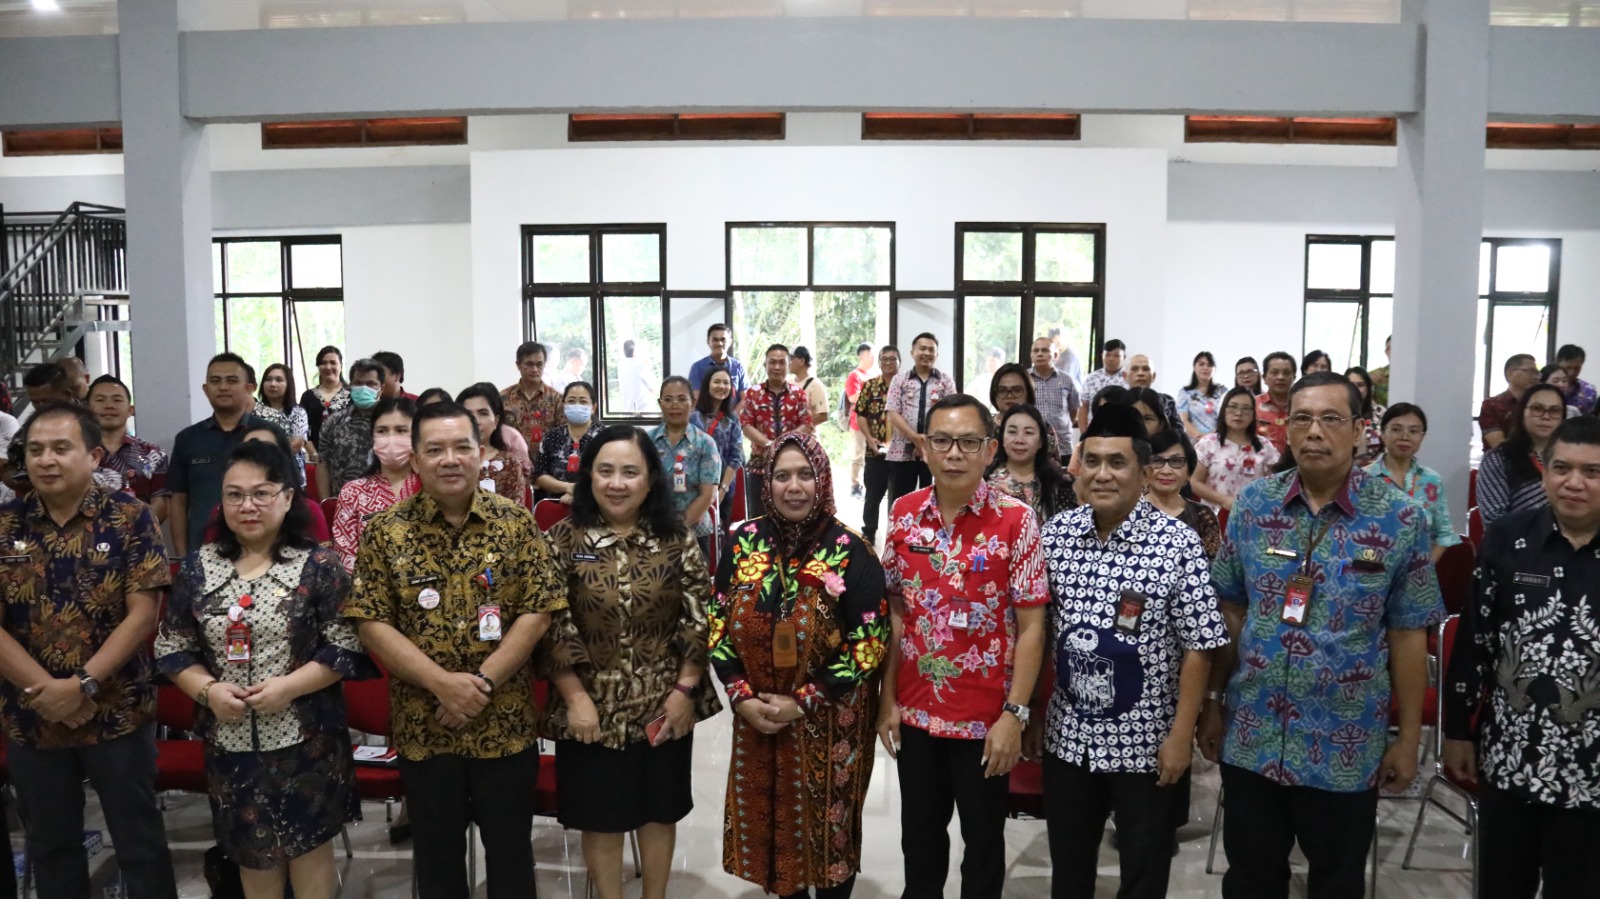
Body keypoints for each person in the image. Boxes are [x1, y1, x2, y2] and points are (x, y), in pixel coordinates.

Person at [1198, 371, 1443, 899]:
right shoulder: (1253, 506)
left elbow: (1407, 635)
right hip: (1253, 735)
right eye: (1302, 418)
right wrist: (1213, 703)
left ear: (1359, 430)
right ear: (1286, 429)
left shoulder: (1401, 518)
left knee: (1336, 882)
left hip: (1344, 744)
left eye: (1331, 419)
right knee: (1251, 880)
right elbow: (1230, 612)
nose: (1314, 432)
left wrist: (1405, 738)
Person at [345, 402, 567, 899]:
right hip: (426, 726)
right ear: (416, 459)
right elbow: (371, 622)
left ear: (481, 453)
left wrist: (483, 682)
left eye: (462, 447)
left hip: (504, 724)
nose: (450, 459)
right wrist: (442, 684)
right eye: (436, 449)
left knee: (511, 855)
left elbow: (539, 610)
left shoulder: (514, 523)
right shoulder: (385, 531)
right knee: (437, 858)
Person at [156, 439, 376, 899]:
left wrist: (289, 688)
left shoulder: (319, 566)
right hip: (230, 740)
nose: (247, 506)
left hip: (308, 739)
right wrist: (208, 691)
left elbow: (347, 645)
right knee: (251, 852)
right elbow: (173, 648)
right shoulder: (199, 568)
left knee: (309, 850)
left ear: (289, 498)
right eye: (234, 494)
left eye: (262, 493)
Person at [1034, 408, 1228, 899]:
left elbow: (1200, 646)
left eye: (1116, 462)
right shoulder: (1057, 537)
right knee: (1070, 871)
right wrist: (1034, 714)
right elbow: (1037, 634)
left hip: (1146, 743)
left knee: (1143, 873)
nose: (1102, 474)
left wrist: (1182, 734)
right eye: (1092, 461)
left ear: (1143, 474)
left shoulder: (1177, 543)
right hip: (1069, 738)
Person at [0, 403, 177, 898]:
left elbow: (143, 614)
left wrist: (81, 687)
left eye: (61, 448)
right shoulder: (4, 525)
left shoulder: (129, 517)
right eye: (35, 450)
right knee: (52, 847)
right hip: (32, 714)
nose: (46, 460)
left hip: (116, 709)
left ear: (95, 456)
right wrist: (49, 692)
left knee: (139, 844)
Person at [541, 425, 722, 899]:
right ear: (588, 478)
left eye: (629, 472)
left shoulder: (675, 537)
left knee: (657, 811)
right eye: (605, 471)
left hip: (665, 703)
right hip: (588, 708)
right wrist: (575, 699)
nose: (616, 483)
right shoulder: (562, 539)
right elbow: (552, 623)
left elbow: (700, 615)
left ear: (649, 481)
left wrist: (684, 691)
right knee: (600, 817)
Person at [879, 394, 1047, 899]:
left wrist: (1014, 715)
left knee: (983, 848)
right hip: (918, 716)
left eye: (968, 442)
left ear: (989, 449)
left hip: (986, 719)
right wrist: (886, 701)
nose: (955, 452)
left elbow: (1033, 624)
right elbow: (895, 612)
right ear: (925, 449)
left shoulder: (1016, 520)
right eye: (943, 441)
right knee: (921, 845)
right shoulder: (905, 513)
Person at [710, 431, 888, 899]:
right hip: (758, 718)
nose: (794, 486)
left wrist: (804, 701)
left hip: (830, 723)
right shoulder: (744, 541)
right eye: (782, 475)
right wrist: (740, 695)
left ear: (822, 480)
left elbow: (869, 645)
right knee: (775, 838)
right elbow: (716, 622)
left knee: (829, 837)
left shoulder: (852, 551)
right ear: (765, 482)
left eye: (805, 474)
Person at [1442, 416, 1600, 897]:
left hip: (1594, 770)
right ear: (1544, 470)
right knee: (1501, 885)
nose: (1573, 483)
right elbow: (1475, 639)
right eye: (1561, 467)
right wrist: (1456, 732)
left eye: (1592, 472)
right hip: (1511, 755)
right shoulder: (1509, 537)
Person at [171, 353, 264, 557]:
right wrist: (182, 556)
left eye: (232, 381)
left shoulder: (268, 435)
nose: (223, 387)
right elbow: (178, 500)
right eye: (215, 381)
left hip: (261, 552)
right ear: (205, 389)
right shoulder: (187, 439)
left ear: (249, 388)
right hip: (202, 553)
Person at [331, 397, 421, 572]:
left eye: (401, 430)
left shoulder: (433, 487)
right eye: (382, 430)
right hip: (368, 592)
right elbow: (346, 558)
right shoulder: (353, 492)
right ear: (372, 436)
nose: (391, 438)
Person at [1365, 403, 1460, 563]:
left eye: (1414, 431)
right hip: (1371, 572)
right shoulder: (1363, 478)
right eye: (1396, 429)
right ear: (1382, 433)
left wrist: (1423, 568)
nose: (1405, 436)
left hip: (1419, 577)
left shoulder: (1432, 480)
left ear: (1422, 436)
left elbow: (1444, 534)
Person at [649, 377, 721, 560]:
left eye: (682, 399)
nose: (675, 405)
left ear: (693, 402)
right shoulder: (646, 442)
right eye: (668, 399)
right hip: (652, 531)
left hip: (695, 533)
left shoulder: (705, 443)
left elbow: (708, 495)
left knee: (694, 588)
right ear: (660, 403)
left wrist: (678, 529)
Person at [885, 332, 957, 511]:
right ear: (912, 352)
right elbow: (893, 413)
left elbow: (952, 414)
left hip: (936, 452)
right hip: (902, 451)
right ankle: (897, 537)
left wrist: (928, 440)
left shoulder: (945, 381)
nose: (926, 353)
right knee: (899, 501)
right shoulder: (899, 380)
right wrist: (915, 438)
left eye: (931, 349)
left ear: (937, 354)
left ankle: (932, 537)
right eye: (922, 348)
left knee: (935, 500)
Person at [740, 345, 812, 518]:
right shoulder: (753, 393)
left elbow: (807, 424)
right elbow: (746, 424)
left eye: (781, 362)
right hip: (760, 467)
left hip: (791, 466)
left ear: (788, 365)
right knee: (758, 518)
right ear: (765, 365)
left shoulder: (799, 394)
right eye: (772, 362)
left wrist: (784, 444)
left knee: (791, 516)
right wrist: (769, 444)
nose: (777, 367)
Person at [1479, 383, 1566, 524]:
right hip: (1515, 542)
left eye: (1554, 411)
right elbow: (1494, 521)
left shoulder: (1570, 458)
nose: (1546, 417)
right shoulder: (1499, 459)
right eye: (1537, 409)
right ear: (1522, 413)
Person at [88, 374, 170, 523]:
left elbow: (161, 503)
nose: (109, 406)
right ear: (87, 408)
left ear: (131, 410)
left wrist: (133, 532)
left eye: (117, 400)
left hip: (139, 540)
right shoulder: (75, 454)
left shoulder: (153, 454)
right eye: (100, 400)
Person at [1191, 386, 1281, 513]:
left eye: (1245, 409)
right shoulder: (1208, 443)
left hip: (1253, 516)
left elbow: (1273, 487)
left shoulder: (1265, 446)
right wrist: (1224, 500)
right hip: (1214, 517)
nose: (1238, 413)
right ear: (1223, 410)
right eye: (1233, 407)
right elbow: (1194, 482)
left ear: (1253, 414)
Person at [984, 403, 1073, 525]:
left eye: (1028, 433)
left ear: (1041, 441)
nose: (1019, 440)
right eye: (1012, 432)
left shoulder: (1058, 483)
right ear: (1002, 438)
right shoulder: (985, 483)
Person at [316, 357, 392, 500]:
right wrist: (326, 502)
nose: (364, 388)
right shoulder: (332, 422)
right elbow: (322, 464)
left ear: (381, 388)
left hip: (384, 504)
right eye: (358, 383)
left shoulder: (393, 423)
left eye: (371, 384)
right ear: (350, 386)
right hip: (342, 504)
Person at [1145, 427, 1223, 559]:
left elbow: (1213, 571)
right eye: (1157, 461)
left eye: (1176, 461)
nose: (1166, 470)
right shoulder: (1126, 513)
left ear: (1188, 473)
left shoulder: (1203, 517)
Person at [456, 383, 528, 504]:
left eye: (483, 413)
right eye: (468, 414)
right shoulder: (450, 461)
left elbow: (517, 512)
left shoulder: (510, 463)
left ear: (496, 421)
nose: (476, 421)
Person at [855, 345, 898, 546]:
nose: (888, 363)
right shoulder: (869, 385)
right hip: (875, 452)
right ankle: (869, 533)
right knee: (873, 496)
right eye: (884, 359)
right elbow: (861, 414)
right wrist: (869, 438)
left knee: (898, 498)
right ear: (879, 362)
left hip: (901, 455)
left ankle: (897, 535)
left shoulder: (905, 386)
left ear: (899, 362)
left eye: (892, 359)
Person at [691, 369, 743, 527]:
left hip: (723, 488)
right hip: (694, 488)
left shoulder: (733, 419)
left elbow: (736, 457)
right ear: (707, 385)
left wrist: (722, 490)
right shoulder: (693, 417)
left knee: (721, 536)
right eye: (717, 382)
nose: (722, 386)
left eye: (726, 382)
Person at [533, 381, 599, 504]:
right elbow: (540, 474)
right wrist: (568, 488)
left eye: (583, 401)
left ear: (593, 407)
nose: (577, 405)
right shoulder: (551, 437)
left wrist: (580, 492)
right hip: (555, 504)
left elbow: (609, 474)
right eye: (571, 401)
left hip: (595, 504)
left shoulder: (605, 438)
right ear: (563, 406)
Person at [254, 363, 311, 487]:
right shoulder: (254, 411)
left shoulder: (298, 411)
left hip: (291, 474)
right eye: (268, 379)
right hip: (258, 474)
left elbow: (296, 444)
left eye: (279, 380)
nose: (273, 384)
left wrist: (265, 453)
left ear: (288, 384)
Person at [502, 340, 565, 450]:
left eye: (539, 364)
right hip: (512, 462)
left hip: (546, 462)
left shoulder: (556, 399)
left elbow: (563, 434)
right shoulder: (503, 398)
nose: (535, 370)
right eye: (529, 364)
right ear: (518, 365)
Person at [992, 361, 1063, 458]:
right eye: (1002, 390)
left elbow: (1052, 468)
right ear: (994, 394)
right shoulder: (985, 428)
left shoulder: (1043, 428)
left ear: (1029, 392)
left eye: (1017, 390)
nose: (1009, 395)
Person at [1029, 336, 1080, 465]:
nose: (1040, 354)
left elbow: (1074, 410)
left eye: (1045, 350)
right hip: (1031, 444)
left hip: (1062, 444)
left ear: (1055, 355)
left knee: (1063, 482)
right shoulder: (1024, 379)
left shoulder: (1067, 380)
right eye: (1036, 351)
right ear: (1031, 355)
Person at [1480, 353, 1540, 451]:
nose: (1535, 377)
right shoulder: (1492, 405)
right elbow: (1498, 444)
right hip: (1501, 463)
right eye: (1530, 371)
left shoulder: (1537, 405)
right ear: (1510, 373)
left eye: (1537, 373)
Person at [298, 345, 348, 446]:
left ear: (341, 366)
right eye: (323, 363)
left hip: (348, 457)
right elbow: (303, 431)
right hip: (316, 457)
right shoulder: (308, 396)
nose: (328, 367)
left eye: (333, 363)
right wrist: (315, 455)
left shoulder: (353, 394)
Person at [688, 323, 749, 404]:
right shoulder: (697, 367)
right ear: (708, 342)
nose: (719, 343)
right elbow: (696, 399)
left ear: (730, 342)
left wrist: (732, 416)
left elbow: (745, 399)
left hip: (734, 415)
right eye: (715, 340)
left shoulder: (738, 367)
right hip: (705, 415)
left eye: (723, 339)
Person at [843, 342, 875, 498]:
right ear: (862, 356)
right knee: (858, 454)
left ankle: (868, 485)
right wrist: (871, 394)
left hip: (872, 423)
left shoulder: (870, 376)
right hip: (858, 422)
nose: (873, 358)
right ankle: (855, 485)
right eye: (871, 354)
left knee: (871, 456)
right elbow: (853, 396)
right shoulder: (855, 375)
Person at [1079, 339, 1129, 430]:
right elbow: (1083, 406)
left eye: (1116, 355)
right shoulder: (1091, 378)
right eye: (1107, 355)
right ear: (1102, 356)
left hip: (1123, 431)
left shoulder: (1129, 378)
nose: (1111, 359)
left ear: (1124, 357)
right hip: (1094, 430)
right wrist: (1084, 434)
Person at [1255, 351, 1297, 455]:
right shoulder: (1252, 405)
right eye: (1274, 372)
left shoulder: (1301, 406)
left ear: (1294, 378)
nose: (1281, 377)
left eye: (1286, 373)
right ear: (1264, 378)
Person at [1177, 351, 1225, 439]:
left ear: (1214, 369)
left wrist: (1211, 438)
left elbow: (1226, 419)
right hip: (1192, 442)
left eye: (1209, 365)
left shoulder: (1222, 391)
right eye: (1201, 364)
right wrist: (1199, 437)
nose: (1205, 368)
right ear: (1194, 367)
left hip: (1217, 440)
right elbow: (1184, 420)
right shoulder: (1184, 392)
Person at [1125, 354, 1180, 431]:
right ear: (1125, 376)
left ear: (1153, 376)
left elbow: (1178, 432)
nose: (1140, 373)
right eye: (1134, 369)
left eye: (1146, 369)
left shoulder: (1167, 401)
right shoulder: (1117, 401)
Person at [1344, 366, 1384, 466]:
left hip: (1376, 472)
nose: (1356, 389)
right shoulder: (1337, 413)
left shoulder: (1380, 413)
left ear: (1368, 388)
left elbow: (1388, 447)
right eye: (1351, 385)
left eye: (1360, 385)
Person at [789, 346, 831, 429]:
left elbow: (823, 415)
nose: (789, 362)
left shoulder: (815, 385)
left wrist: (799, 428)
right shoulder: (788, 383)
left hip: (805, 439)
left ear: (801, 361)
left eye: (791, 359)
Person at [1556, 343, 1597, 416]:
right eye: (1568, 367)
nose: (1571, 373)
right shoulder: (1544, 387)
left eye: (1577, 368)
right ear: (1558, 362)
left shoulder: (1589, 391)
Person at [618, 339, 657, 414]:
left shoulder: (621, 366)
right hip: (644, 411)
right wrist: (647, 366)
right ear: (635, 352)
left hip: (628, 411)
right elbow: (653, 388)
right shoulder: (641, 366)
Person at [967, 346, 1004, 414]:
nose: (989, 363)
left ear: (1001, 362)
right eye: (987, 360)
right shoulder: (981, 379)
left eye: (993, 360)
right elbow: (968, 396)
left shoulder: (1006, 380)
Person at [1369, 336, 1391, 407]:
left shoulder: (1412, 374)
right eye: (1389, 348)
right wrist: (1369, 382)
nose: (1392, 351)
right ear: (1386, 352)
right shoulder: (1377, 374)